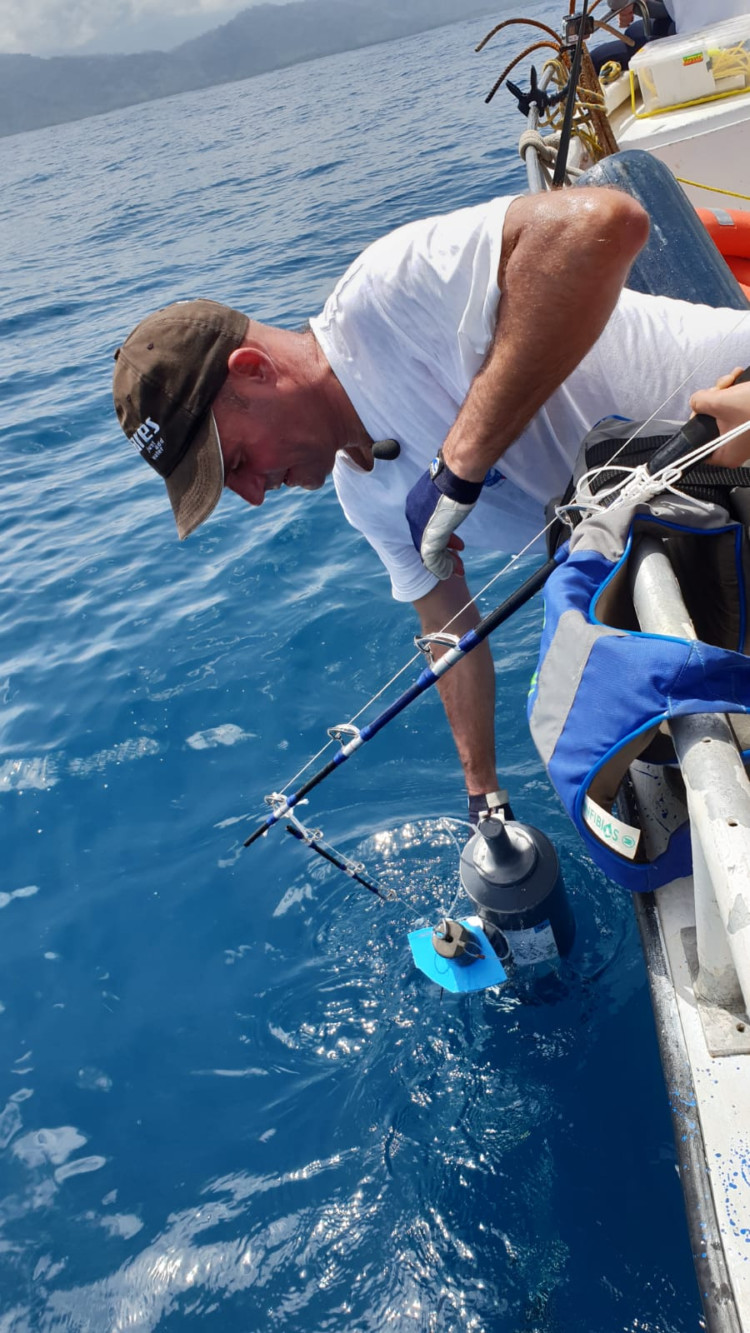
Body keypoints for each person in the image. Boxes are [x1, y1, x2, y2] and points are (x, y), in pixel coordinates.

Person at [112, 189, 750, 825]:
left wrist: (461, 461)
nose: (252, 494)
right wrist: (484, 797)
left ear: (252, 370)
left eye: (239, 464)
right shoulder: (364, 496)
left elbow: (608, 223)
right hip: (704, 542)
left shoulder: (381, 299)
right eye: (231, 489)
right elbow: (450, 627)